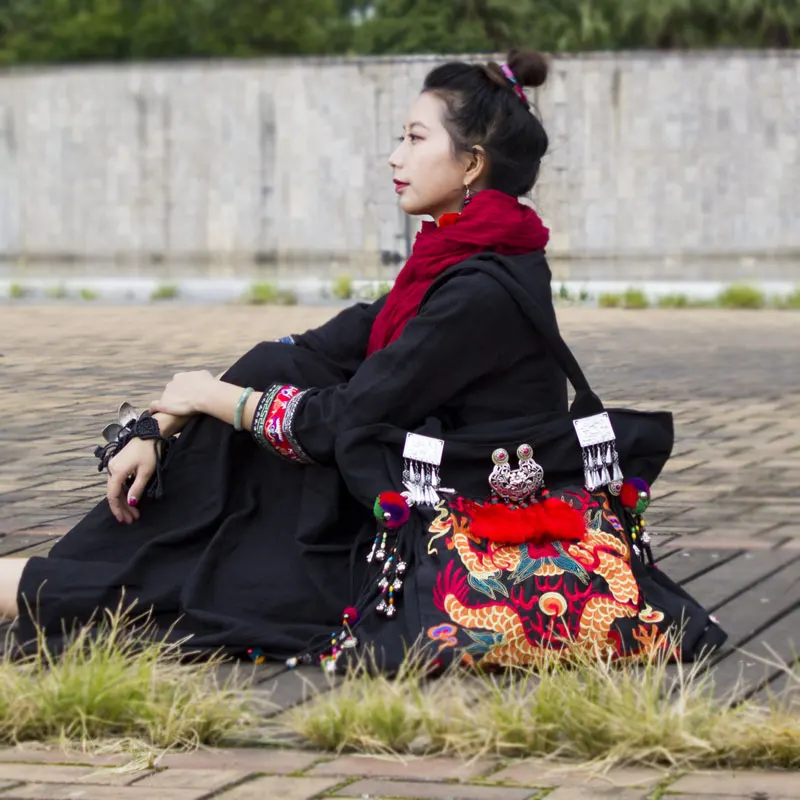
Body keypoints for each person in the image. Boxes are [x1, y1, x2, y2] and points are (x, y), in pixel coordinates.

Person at [1, 51, 724, 666]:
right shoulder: (456, 259)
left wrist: (206, 396)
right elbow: (315, 352)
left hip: (454, 532)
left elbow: (342, 421)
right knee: (275, 374)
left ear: (471, 164)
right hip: (406, 494)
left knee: (225, 561)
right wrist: (164, 418)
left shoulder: (482, 289)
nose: (395, 157)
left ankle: (43, 585)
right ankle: (58, 579)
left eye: (414, 138)